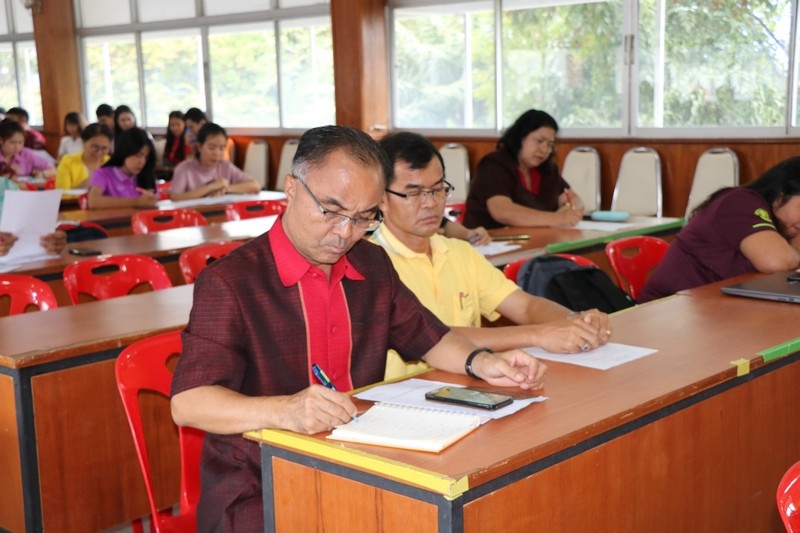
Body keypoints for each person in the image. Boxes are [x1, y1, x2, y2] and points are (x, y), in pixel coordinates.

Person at [170, 125, 547, 532]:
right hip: (260, 483)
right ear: (291, 189)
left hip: (359, 463)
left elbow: (429, 336)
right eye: (331, 211)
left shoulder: (372, 264)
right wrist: (285, 410)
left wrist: (482, 362)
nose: (344, 233)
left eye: (364, 217)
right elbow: (188, 403)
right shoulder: (231, 282)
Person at [372, 131, 611, 378]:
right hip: (404, 392)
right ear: (380, 198)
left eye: (437, 189)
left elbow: (525, 306)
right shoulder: (369, 265)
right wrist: (537, 334)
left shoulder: (460, 253)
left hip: (469, 383)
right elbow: (431, 336)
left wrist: (576, 321)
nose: (430, 203)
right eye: (413, 193)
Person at [639, 157, 800, 301]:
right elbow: (777, 261)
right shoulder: (740, 202)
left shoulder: (782, 224)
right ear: (780, 196)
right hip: (665, 309)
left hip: (714, 309)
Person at [464, 109, 585, 230]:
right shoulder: (494, 164)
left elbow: (575, 199)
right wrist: (557, 218)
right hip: (489, 238)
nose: (544, 150)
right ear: (520, 137)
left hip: (538, 237)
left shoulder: (547, 169)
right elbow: (502, 212)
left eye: (550, 145)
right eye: (539, 141)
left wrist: (567, 210)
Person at [170, 123, 260, 201]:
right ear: (199, 147)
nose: (217, 153)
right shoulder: (184, 168)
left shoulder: (225, 166)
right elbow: (175, 197)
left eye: (222, 148)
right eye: (211, 148)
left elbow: (255, 185)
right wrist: (211, 187)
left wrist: (225, 189)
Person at [86, 127, 157, 209]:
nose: (142, 161)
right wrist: (137, 201)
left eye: (146, 157)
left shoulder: (145, 175)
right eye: (138, 155)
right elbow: (93, 201)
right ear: (125, 152)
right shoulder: (103, 174)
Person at [55, 123, 113, 189]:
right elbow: (62, 193)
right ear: (83, 142)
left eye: (104, 148)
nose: (99, 152)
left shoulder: (112, 164)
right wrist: (81, 186)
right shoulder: (68, 162)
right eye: (95, 147)